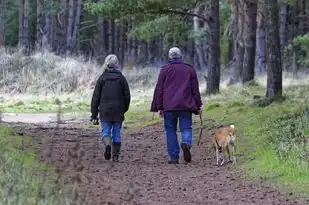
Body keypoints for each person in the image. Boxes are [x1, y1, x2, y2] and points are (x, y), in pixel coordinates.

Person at [150, 47, 203, 164]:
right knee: (186, 128)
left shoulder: (164, 70)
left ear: (170, 57)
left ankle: (174, 157)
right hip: (186, 106)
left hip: (169, 107)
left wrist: (159, 106)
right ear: (180, 56)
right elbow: (195, 89)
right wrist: (198, 105)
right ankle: (186, 143)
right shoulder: (189, 69)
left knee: (170, 131)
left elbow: (159, 89)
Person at [90, 54, 131, 162]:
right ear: (117, 64)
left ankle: (108, 145)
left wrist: (94, 114)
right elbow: (127, 96)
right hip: (118, 111)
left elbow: (95, 97)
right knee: (117, 132)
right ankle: (115, 156)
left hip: (105, 110)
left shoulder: (102, 78)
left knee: (106, 132)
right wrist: (124, 109)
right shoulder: (121, 78)